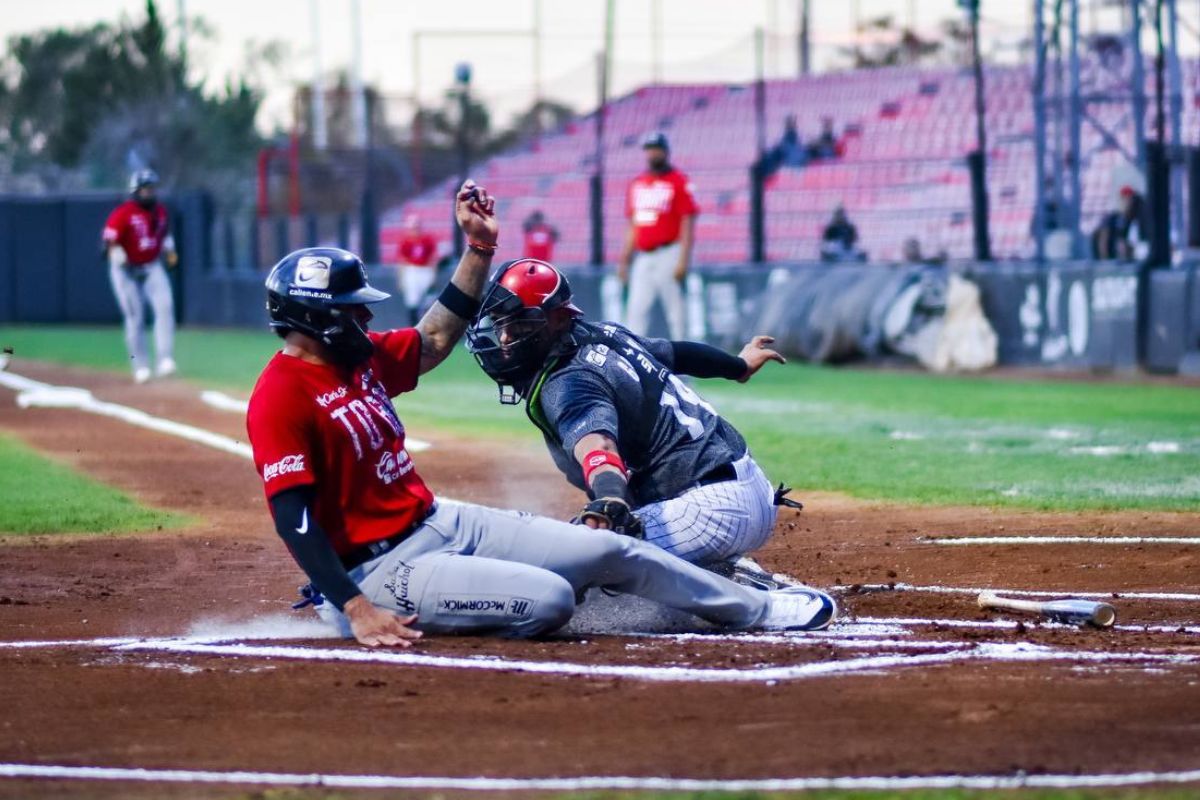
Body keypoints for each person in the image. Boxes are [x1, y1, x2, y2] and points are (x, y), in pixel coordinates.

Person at [245, 180, 837, 648]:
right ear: (315, 318)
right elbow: (293, 518)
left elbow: (433, 338)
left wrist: (479, 248)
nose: (366, 321)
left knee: (609, 552)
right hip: (378, 568)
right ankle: (343, 607)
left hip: (438, 521)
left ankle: (760, 609)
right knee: (553, 598)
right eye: (352, 312)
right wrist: (354, 604)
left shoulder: (361, 358)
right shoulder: (280, 396)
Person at [466, 258, 809, 590]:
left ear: (556, 318)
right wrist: (738, 366)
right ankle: (714, 567)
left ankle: (734, 585)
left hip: (707, 511)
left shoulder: (567, 381)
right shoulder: (606, 334)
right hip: (745, 488)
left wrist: (611, 499)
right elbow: (677, 353)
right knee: (585, 543)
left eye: (518, 323)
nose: (506, 337)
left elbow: (599, 447)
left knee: (562, 572)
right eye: (500, 324)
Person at [618, 132, 698, 340]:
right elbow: (634, 224)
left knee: (676, 312)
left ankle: (684, 365)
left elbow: (687, 221)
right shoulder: (638, 183)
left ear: (665, 151)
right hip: (643, 256)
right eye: (649, 149)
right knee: (636, 311)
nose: (652, 153)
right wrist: (624, 259)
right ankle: (633, 362)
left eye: (656, 148)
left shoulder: (678, 181)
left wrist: (683, 259)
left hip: (669, 252)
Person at [102, 169, 178, 384]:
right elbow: (109, 241)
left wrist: (170, 252)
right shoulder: (123, 213)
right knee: (135, 317)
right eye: (145, 189)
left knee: (165, 307)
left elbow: (164, 236)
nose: (149, 193)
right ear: (136, 191)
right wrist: (116, 253)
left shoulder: (160, 211)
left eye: (152, 189)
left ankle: (165, 359)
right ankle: (140, 365)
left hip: (151, 266)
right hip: (126, 271)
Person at [395, 215, 439, 325]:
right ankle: (413, 327)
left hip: (425, 270)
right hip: (412, 271)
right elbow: (402, 261)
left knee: (428, 301)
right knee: (412, 301)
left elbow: (433, 258)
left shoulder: (427, 240)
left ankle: (428, 325)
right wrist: (401, 279)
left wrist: (433, 275)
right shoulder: (405, 241)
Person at [1093, 186, 1148, 261]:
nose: (1127, 203)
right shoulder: (1112, 218)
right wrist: (1105, 261)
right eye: (1125, 199)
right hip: (1111, 261)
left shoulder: (1135, 220)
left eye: (1129, 200)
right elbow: (1103, 241)